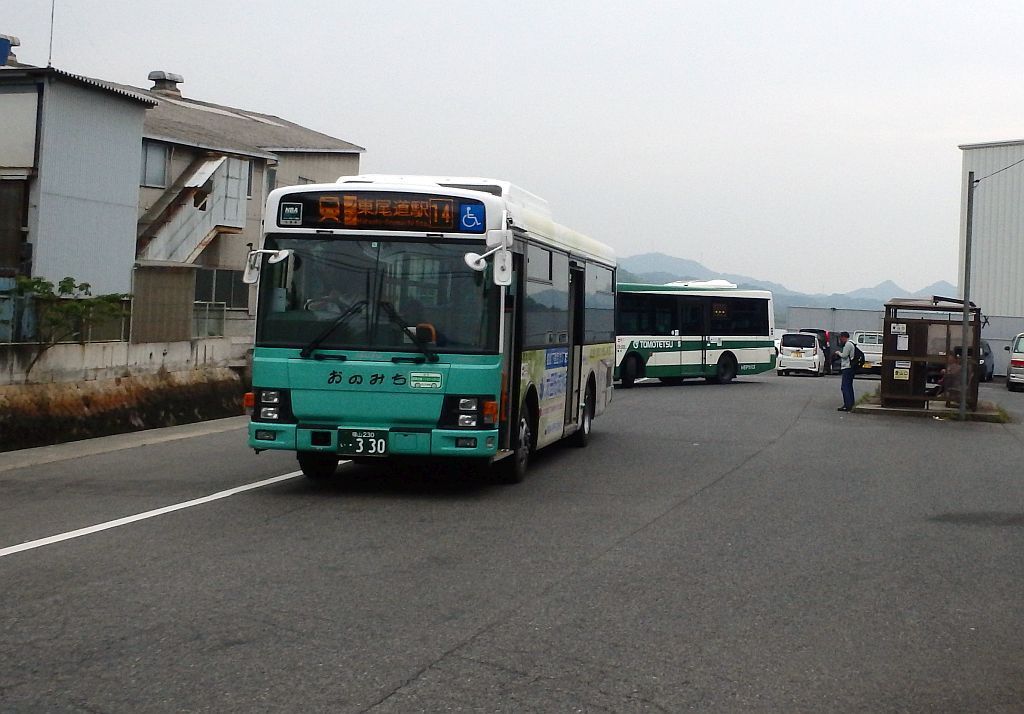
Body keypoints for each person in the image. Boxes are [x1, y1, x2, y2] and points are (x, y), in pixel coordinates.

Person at [837, 331, 855, 411]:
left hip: (847, 367)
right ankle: (851, 403)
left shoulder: (848, 344)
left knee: (845, 387)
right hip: (850, 368)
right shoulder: (852, 343)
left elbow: (844, 356)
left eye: (841, 337)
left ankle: (847, 405)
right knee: (849, 386)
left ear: (844, 337)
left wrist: (838, 353)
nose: (840, 339)